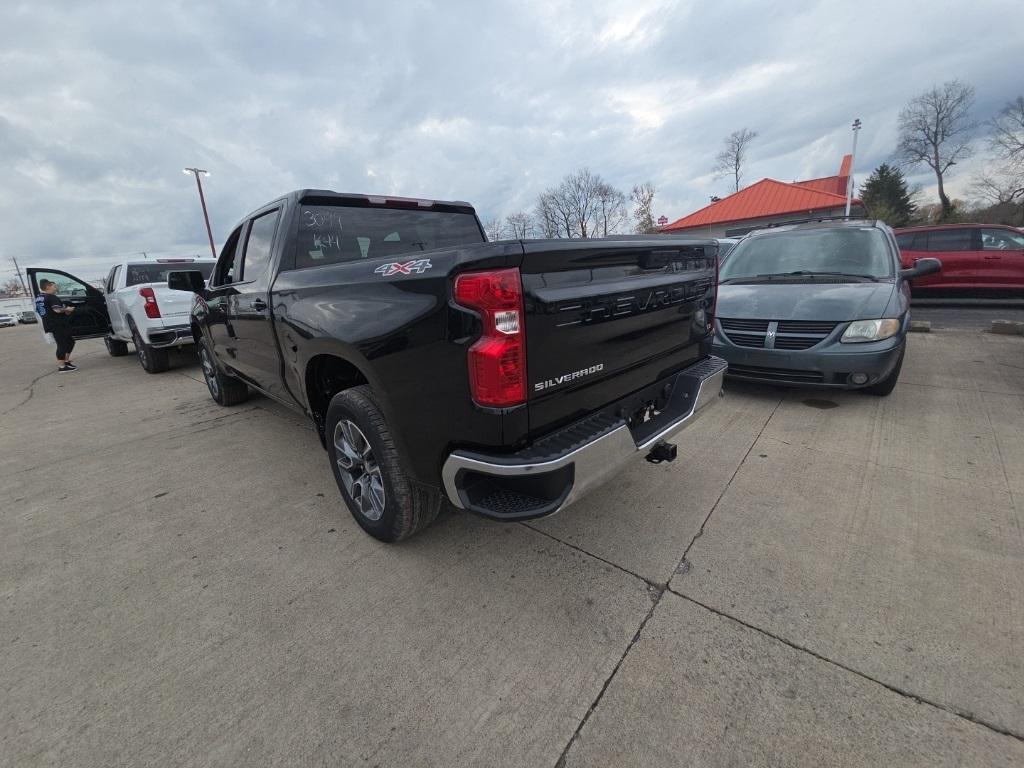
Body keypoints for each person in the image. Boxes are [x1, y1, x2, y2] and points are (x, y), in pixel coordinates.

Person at [35, 279, 77, 373]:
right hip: (57, 324)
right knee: (62, 344)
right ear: (48, 287)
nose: (56, 288)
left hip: (49, 323)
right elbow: (57, 310)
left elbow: (40, 311)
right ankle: (62, 367)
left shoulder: (39, 298)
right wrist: (68, 309)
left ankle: (66, 361)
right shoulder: (51, 297)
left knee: (70, 341)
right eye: (54, 286)